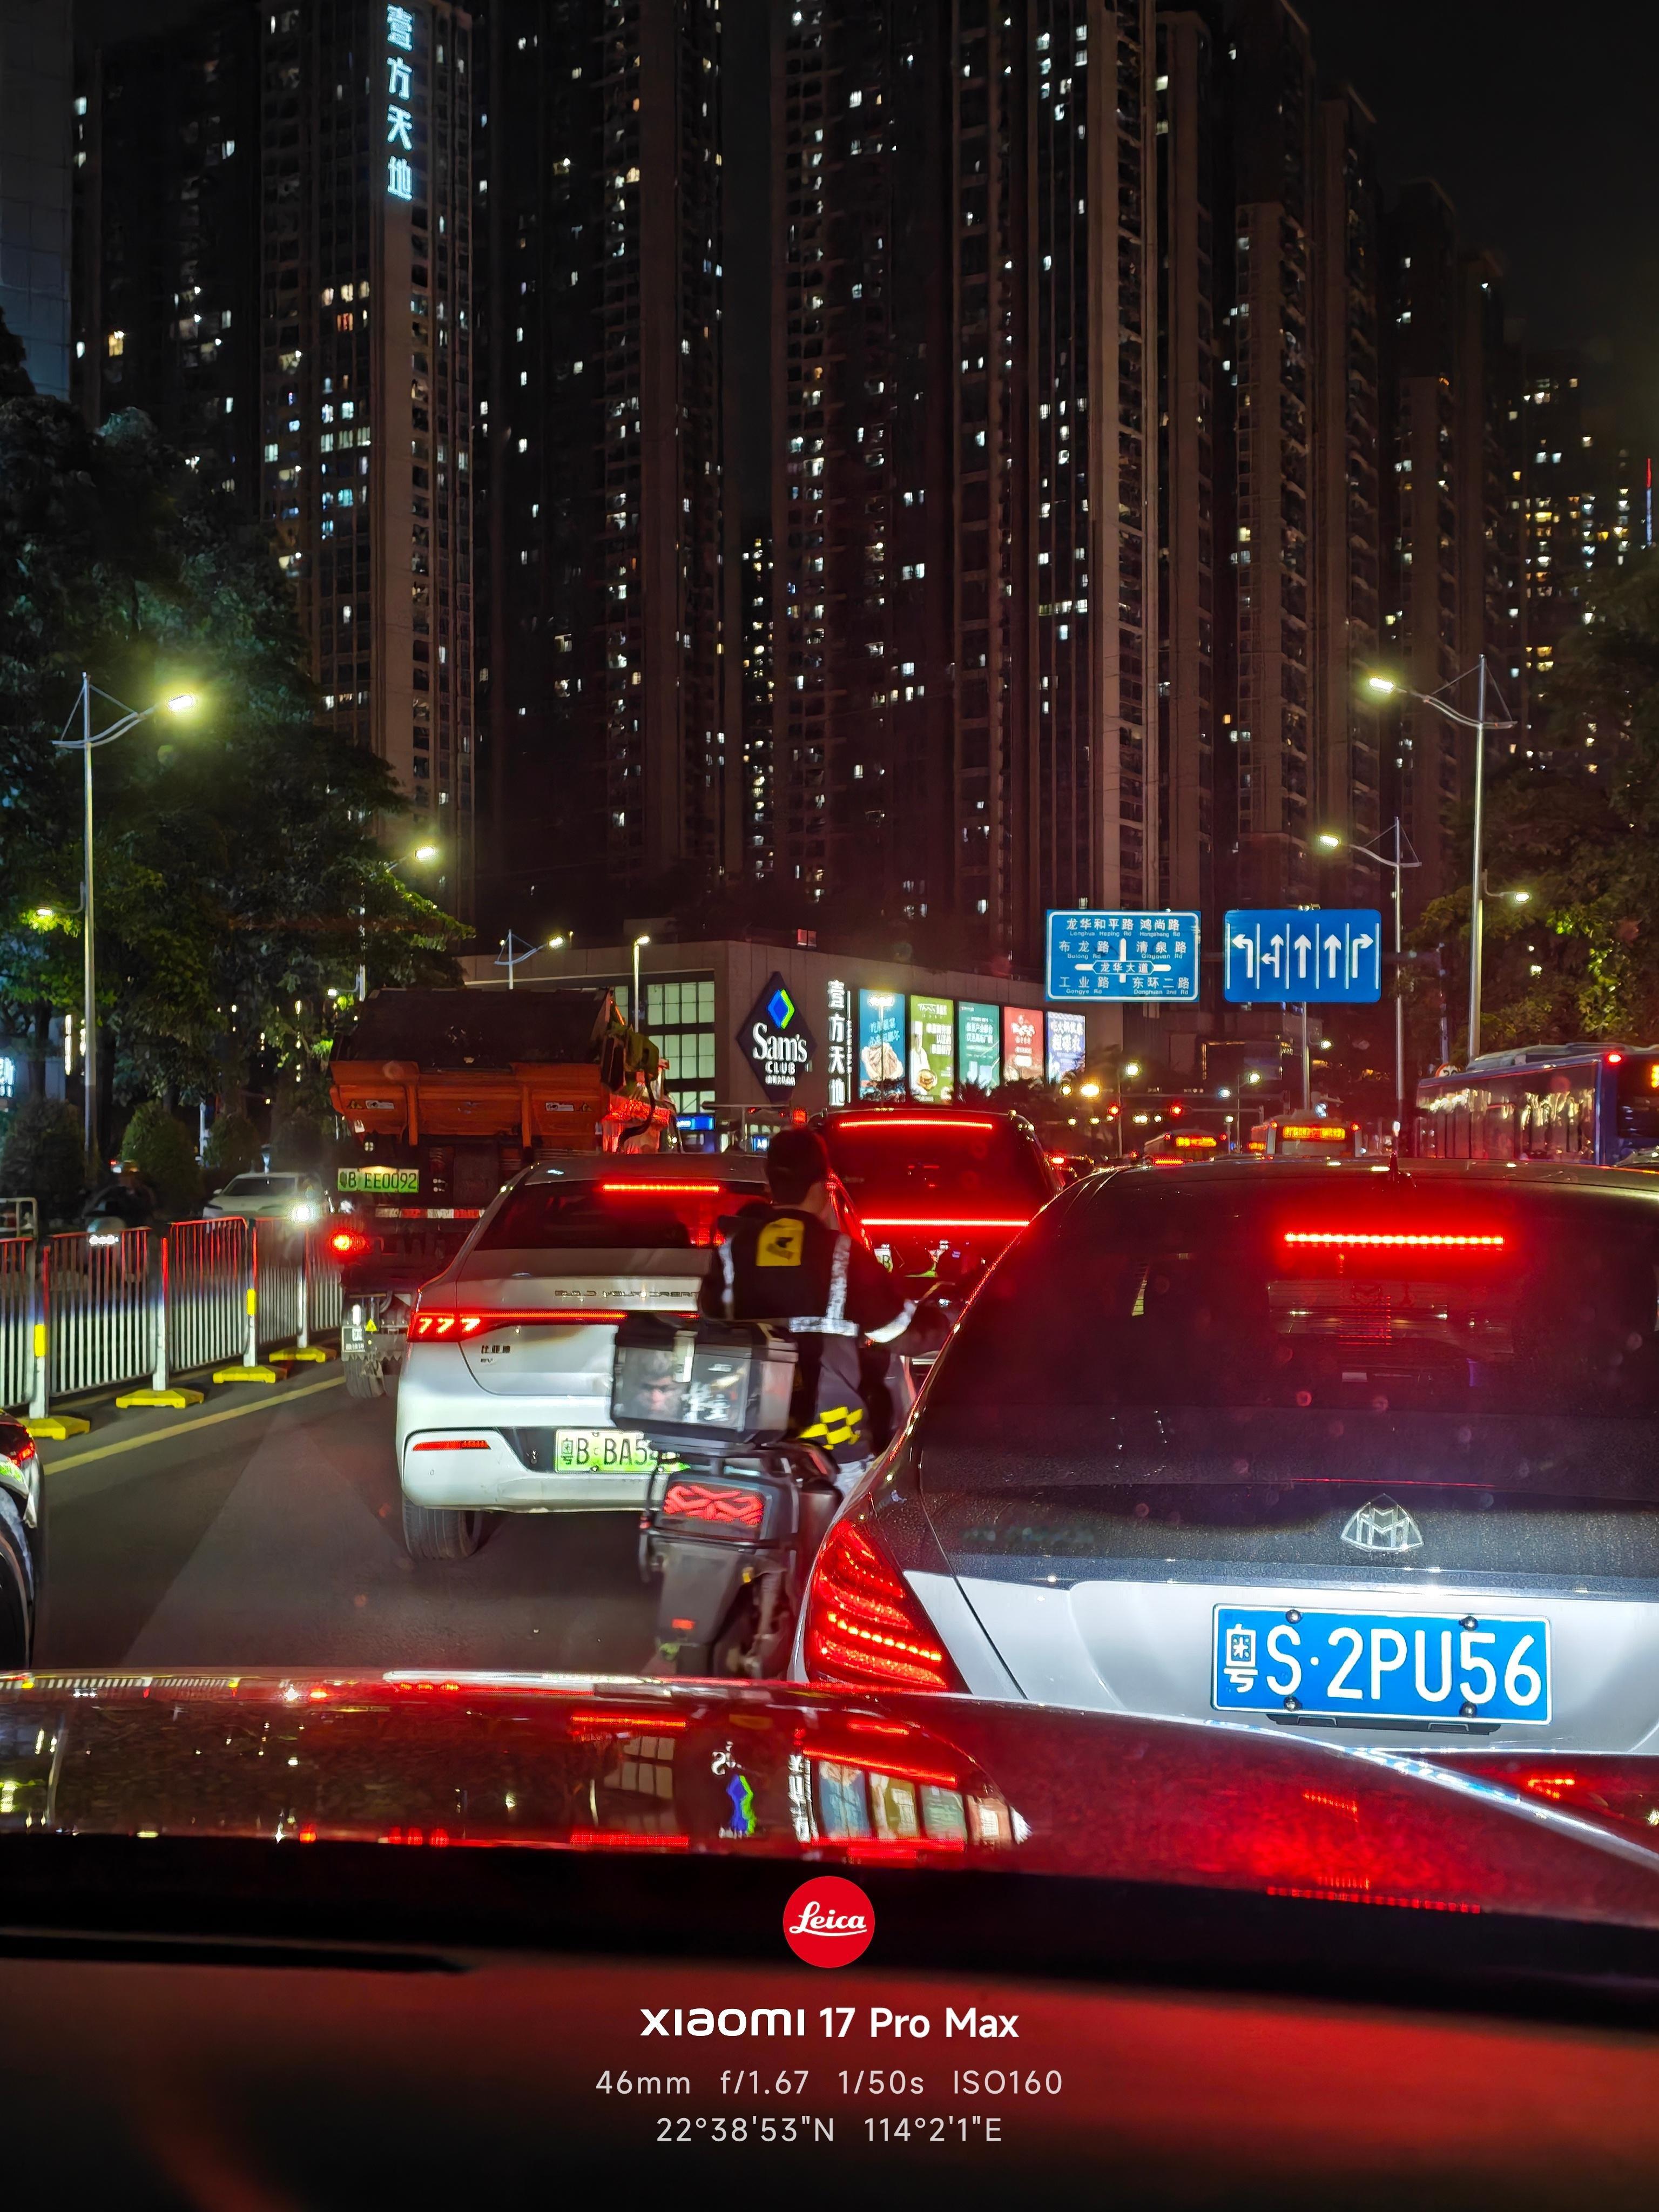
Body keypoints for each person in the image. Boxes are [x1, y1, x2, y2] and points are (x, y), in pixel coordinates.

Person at [700, 1126, 915, 1486]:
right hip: (835, 1445)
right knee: (849, 1540)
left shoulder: (732, 1252)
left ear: (770, 1186)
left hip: (749, 1442)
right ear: (821, 1186)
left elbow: (710, 1323)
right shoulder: (843, 1253)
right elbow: (899, 1331)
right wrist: (953, 1322)